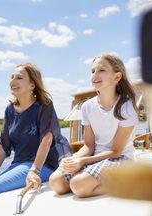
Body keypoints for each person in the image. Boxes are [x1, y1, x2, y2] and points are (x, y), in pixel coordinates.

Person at [0, 62, 71, 212]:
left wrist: (35, 171)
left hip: (45, 165)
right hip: (20, 164)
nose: (13, 81)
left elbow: (47, 140)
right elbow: (3, 145)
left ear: (32, 85)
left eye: (19, 77)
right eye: (12, 77)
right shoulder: (9, 110)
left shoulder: (44, 105)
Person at [49, 53, 139, 197]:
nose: (95, 75)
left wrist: (82, 161)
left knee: (78, 186)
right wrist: (74, 159)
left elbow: (116, 151)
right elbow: (89, 146)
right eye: (93, 71)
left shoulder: (126, 107)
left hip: (121, 158)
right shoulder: (87, 107)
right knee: (56, 182)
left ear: (117, 77)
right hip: (97, 157)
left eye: (101, 70)